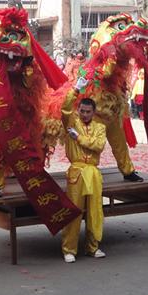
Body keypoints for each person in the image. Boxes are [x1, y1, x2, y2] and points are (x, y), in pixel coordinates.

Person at [60, 77, 107, 263]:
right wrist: (75, 90)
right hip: (77, 173)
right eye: (82, 111)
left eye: (88, 112)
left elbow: (98, 146)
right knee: (75, 212)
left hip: (93, 172)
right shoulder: (72, 122)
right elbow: (65, 109)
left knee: (95, 211)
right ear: (78, 110)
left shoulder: (100, 127)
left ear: (94, 112)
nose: (85, 114)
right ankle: (69, 249)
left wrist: (79, 138)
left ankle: (93, 247)